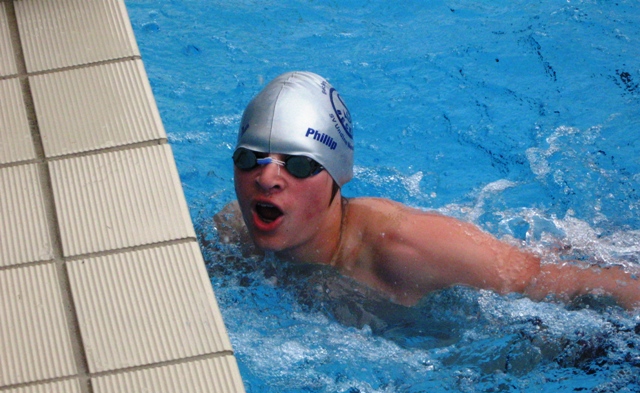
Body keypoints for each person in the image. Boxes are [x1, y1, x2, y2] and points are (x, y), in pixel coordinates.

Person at [216, 71, 640, 310]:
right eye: (249, 158)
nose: (267, 178)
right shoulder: (232, 237)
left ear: (337, 176)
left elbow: (544, 279)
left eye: (300, 165)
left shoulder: (404, 248)